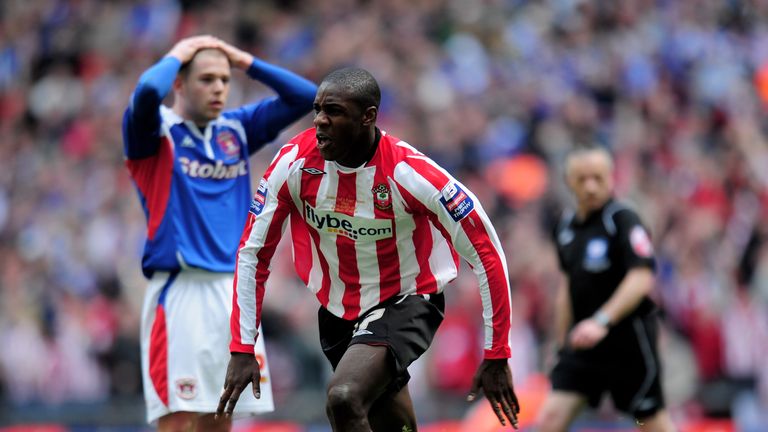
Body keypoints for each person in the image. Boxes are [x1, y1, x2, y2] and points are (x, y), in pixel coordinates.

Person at [215, 67, 520, 431]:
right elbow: (253, 253)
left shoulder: (411, 173)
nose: (320, 121)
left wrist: (497, 352)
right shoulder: (293, 163)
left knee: (344, 396)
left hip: (406, 300)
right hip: (337, 312)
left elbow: (486, 251)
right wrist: (242, 346)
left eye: (334, 111)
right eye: (317, 110)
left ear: (368, 117)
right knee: (391, 425)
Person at [121, 35, 317, 431]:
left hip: (232, 297)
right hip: (181, 295)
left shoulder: (235, 130)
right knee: (178, 422)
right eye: (206, 79)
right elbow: (146, 92)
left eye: (224, 80)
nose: (219, 89)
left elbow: (306, 96)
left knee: (220, 420)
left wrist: (244, 60)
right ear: (179, 83)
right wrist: (180, 52)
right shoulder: (155, 134)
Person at [535, 146, 676, 431]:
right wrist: (560, 343)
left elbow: (641, 277)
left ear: (612, 178)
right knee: (550, 418)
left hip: (627, 342)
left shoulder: (623, 220)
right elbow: (567, 286)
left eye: (598, 178)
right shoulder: (565, 227)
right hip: (583, 344)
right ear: (569, 182)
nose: (591, 186)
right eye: (582, 179)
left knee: (650, 422)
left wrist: (602, 320)